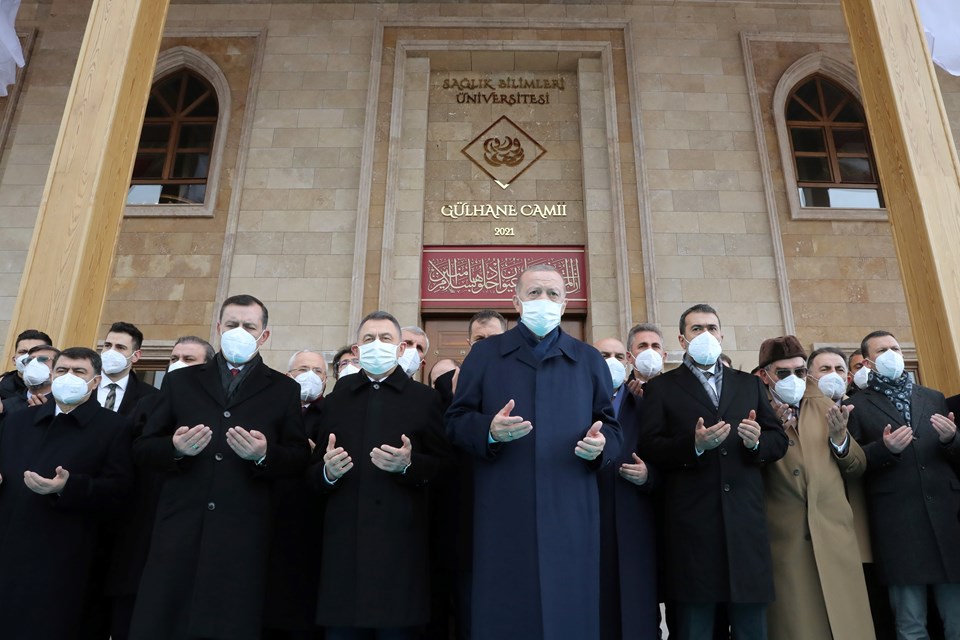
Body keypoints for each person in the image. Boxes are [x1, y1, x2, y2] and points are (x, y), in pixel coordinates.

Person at [446, 264, 621, 640]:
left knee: (570, 611)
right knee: (505, 613)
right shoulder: (485, 356)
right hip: (503, 508)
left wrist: (602, 444)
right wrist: (488, 431)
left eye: (553, 294)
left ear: (564, 305)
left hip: (571, 507)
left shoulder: (588, 359)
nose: (544, 301)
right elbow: (456, 421)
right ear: (516, 302)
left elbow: (611, 425)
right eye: (534, 293)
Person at [130, 294, 311, 640]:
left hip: (243, 535)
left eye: (249, 326)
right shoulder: (181, 381)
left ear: (264, 335)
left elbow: (298, 456)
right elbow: (143, 447)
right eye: (232, 325)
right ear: (218, 328)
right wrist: (175, 448)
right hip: (180, 528)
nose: (239, 331)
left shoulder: (284, 389)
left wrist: (263, 454)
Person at [638, 303, 787, 640]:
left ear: (721, 335)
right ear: (682, 338)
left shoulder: (747, 385)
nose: (705, 334)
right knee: (696, 628)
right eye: (696, 329)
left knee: (752, 628)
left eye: (711, 328)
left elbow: (777, 440)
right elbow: (650, 446)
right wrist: (693, 445)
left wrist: (757, 443)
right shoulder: (661, 388)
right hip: (692, 531)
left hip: (745, 529)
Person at [308, 311, 448, 640]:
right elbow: (311, 474)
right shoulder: (337, 400)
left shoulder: (425, 400)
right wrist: (327, 472)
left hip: (400, 553)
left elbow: (445, 466)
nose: (377, 345)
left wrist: (409, 466)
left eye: (386, 338)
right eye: (369, 339)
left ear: (401, 349)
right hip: (343, 552)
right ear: (356, 351)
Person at [0, 347, 134, 639]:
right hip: (11, 549)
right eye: (62, 370)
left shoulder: (115, 428)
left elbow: (120, 490)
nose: (68, 377)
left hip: (67, 558)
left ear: (96, 381)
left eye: (79, 372)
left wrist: (68, 487)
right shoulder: (17, 422)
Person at [845, 330, 960, 640]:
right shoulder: (858, 405)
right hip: (899, 525)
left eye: (895, 347)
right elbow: (853, 460)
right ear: (868, 362)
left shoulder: (932, 396)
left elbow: (953, 456)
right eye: (883, 350)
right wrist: (885, 449)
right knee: (911, 624)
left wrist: (952, 439)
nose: (893, 353)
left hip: (946, 521)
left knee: (957, 620)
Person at [757, 339, 875, 640]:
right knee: (798, 625)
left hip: (834, 537)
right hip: (785, 541)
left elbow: (856, 466)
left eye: (799, 372)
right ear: (765, 375)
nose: (793, 380)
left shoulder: (823, 406)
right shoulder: (756, 412)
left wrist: (839, 439)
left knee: (847, 624)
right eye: (783, 374)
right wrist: (770, 439)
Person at [106, 337, 214, 640]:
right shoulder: (148, 403)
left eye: (189, 359)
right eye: (174, 357)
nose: (178, 364)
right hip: (141, 532)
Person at [594, 330, 661, 640]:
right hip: (588, 521)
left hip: (635, 523)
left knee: (636, 613)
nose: (612, 362)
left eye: (619, 356)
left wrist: (650, 475)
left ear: (629, 361)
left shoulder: (645, 405)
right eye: (604, 356)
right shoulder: (574, 401)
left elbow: (666, 458)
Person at [98, 322, 158, 416]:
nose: (111, 352)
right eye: (108, 345)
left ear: (135, 356)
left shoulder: (150, 396)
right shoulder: (83, 384)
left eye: (120, 347)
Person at [0, 328, 53, 401]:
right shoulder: (2, 387)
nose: (29, 357)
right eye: (23, 352)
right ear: (14, 360)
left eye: (36, 351)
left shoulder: (60, 388)